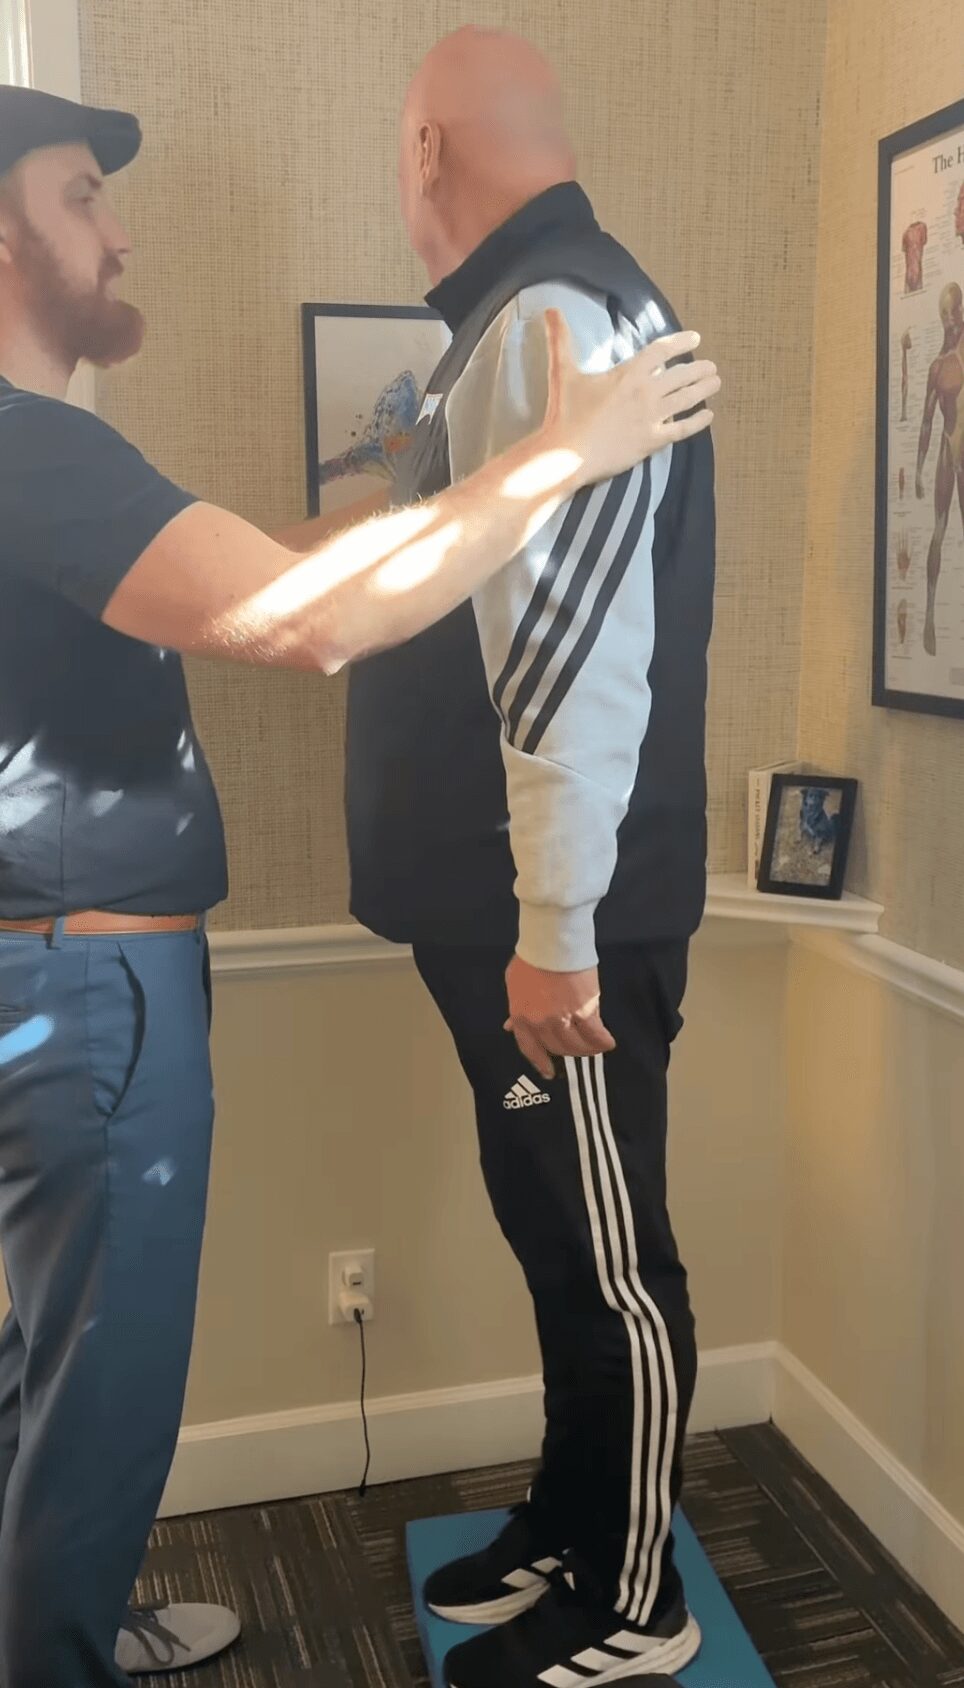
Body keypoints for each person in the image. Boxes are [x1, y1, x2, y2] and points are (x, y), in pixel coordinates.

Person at [0, 82, 716, 1688]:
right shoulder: (27, 446)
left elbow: (274, 558)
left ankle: (56, 1628)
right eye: (79, 197)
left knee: (50, 1360)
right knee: (98, 1388)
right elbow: (300, 619)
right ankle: (55, 1650)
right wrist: (554, 457)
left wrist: (452, 489)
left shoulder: (43, 454)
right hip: (80, 989)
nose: (120, 232)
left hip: (75, 973)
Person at [345, 28, 718, 1688]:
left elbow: (572, 656)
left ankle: (639, 1598)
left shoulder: (560, 317)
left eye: (396, 148)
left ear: (426, 147)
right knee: (554, 1235)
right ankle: (575, 1522)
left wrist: (556, 926)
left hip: (559, 933)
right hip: (505, 918)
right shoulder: (511, 323)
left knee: (610, 1258)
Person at [915, 281, 964, 656]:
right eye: (945, 313)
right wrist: (917, 470)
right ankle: (930, 614)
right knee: (939, 529)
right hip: (949, 451)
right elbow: (927, 421)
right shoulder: (938, 367)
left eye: (954, 310)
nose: (950, 319)